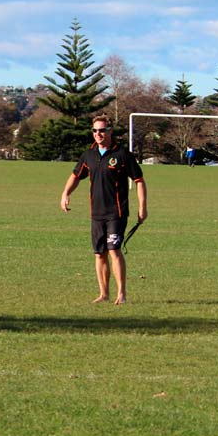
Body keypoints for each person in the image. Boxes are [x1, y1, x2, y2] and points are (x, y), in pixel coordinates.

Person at [60, 115, 148, 305]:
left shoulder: (122, 154)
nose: (98, 134)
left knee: (114, 250)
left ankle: (121, 293)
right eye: (95, 131)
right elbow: (76, 175)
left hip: (116, 213)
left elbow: (139, 181)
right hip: (96, 213)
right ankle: (104, 293)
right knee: (99, 253)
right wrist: (66, 193)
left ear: (110, 132)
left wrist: (142, 207)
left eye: (102, 130)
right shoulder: (89, 155)